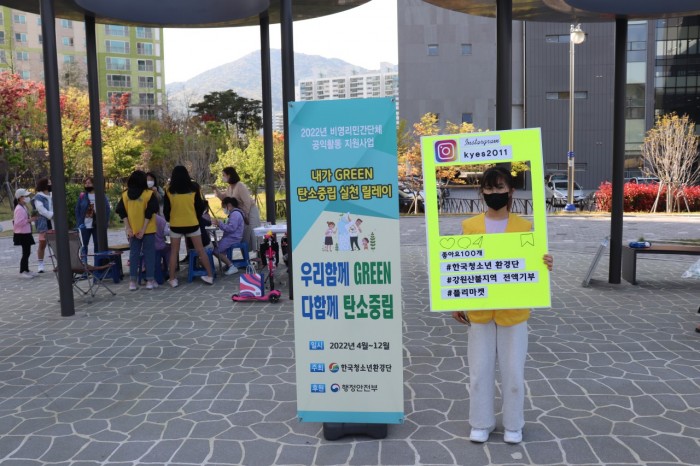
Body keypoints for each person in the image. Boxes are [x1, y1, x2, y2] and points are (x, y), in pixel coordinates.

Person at [451, 166, 553, 445]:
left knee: (513, 372)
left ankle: (513, 424)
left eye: (499, 187)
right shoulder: (469, 227)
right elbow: (461, 267)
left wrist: (545, 264)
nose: (493, 193)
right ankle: (480, 422)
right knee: (479, 370)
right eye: (488, 188)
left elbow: (532, 265)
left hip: (514, 311)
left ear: (510, 191)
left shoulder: (524, 227)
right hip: (480, 310)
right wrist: (456, 301)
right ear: (481, 192)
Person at [164, 165, 215, 287]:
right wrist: (195, 217)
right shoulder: (194, 187)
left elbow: (166, 208)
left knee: (174, 252)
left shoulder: (168, 190)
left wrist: (169, 219)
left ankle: (172, 279)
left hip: (176, 224)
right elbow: (200, 206)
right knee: (201, 250)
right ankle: (209, 275)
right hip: (192, 223)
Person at [115, 170, 160, 291]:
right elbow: (150, 212)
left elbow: (121, 212)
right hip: (148, 229)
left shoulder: (125, 195)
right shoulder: (148, 194)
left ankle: (132, 282)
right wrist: (143, 229)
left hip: (133, 230)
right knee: (149, 254)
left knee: (133, 255)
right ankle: (150, 281)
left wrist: (128, 228)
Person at [214, 166, 261, 250]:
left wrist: (245, 215)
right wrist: (215, 189)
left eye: (224, 175)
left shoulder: (240, 186)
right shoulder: (230, 187)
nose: (222, 177)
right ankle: (247, 254)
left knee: (253, 233)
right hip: (241, 213)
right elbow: (223, 198)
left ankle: (259, 253)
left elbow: (247, 202)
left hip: (250, 211)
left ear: (229, 175)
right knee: (244, 235)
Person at [75, 176, 111, 260]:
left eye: (89, 183)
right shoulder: (82, 196)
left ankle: (97, 264)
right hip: (85, 225)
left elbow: (107, 209)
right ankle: (84, 265)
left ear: (94, 184)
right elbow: (77, 209)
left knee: (97, 245)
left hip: (97, 225)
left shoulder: (100, 195)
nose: (87, 185)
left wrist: (105, 222)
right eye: (86, 183)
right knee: (83, 246)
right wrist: (79, 222)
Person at [211, 197, 245, 275]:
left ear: (229, 205)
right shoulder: (235, 213)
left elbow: (231, 228)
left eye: (223, 207)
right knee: (219, 248)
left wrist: (219, 224)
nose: (223, 209)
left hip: (233, 238)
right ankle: (228, 264)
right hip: (232, 237)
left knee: (216, 251)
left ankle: (231, 266)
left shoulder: (235, 214)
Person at [13, 188, 38, 279]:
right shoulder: (19, 209)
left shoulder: (23, 207)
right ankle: (22, 271)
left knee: (27, 252)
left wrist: (30, 219)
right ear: (20, 198)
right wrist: (30, 220)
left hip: (26, 232)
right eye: (25, 196)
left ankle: (26, 270)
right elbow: (18, 223)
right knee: (26, 252)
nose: (27, 197)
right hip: (22, 233)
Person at [33, 177, 53, 273]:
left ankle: (59, 263)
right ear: (44, 185)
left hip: (54, 223)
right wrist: (51, 214)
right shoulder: (38, 197)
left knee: (56, 244)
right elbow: (40, 209)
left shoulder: (53, 194)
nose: (51, 184)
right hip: (44, 223)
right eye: (49, 183)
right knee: (42, 244)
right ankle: (40, 264)